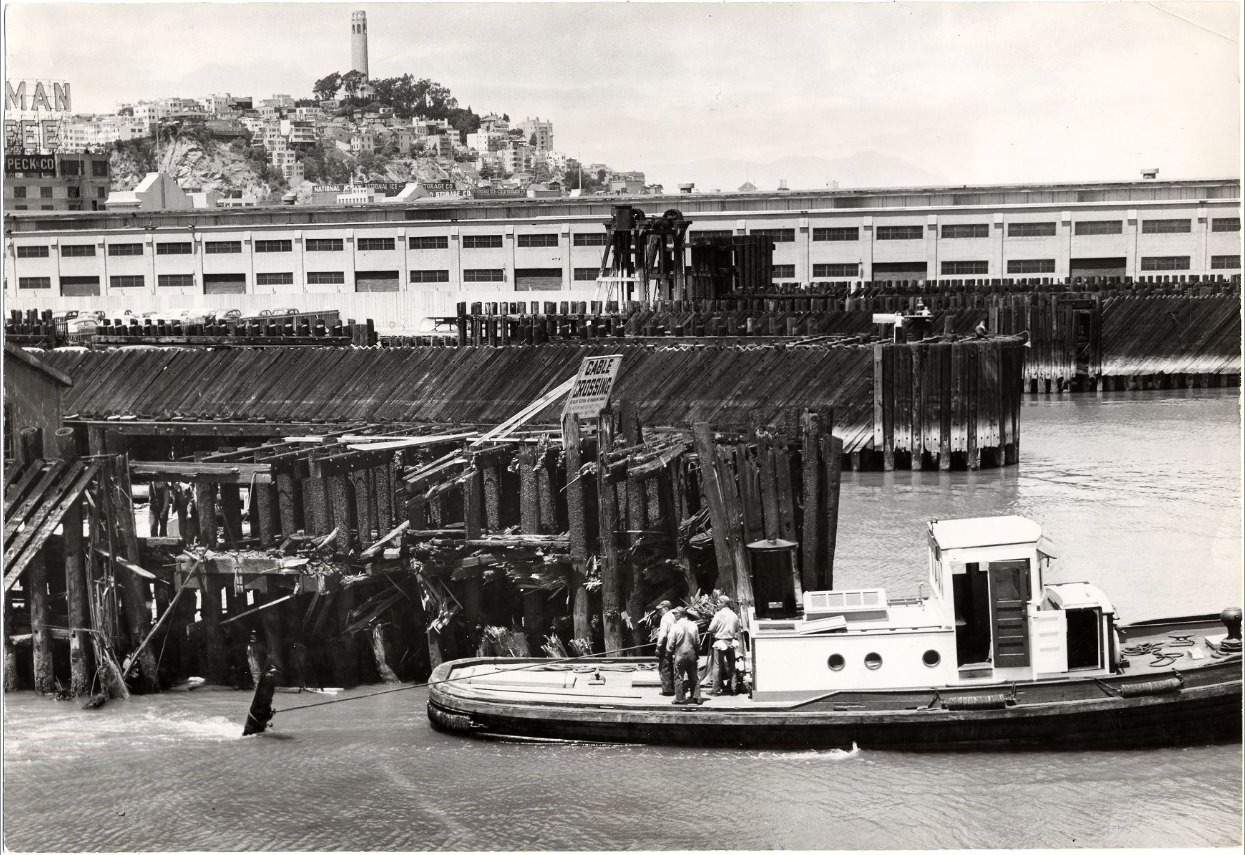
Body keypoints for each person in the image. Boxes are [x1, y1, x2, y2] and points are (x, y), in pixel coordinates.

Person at [666, 608, 702, 705]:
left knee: (679, 677)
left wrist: (669, 652)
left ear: (679, 614)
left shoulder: (675, 627)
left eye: (675, 614)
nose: (674, 615)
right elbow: (698, 642)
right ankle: (697, 697)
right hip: (692, 653)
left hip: (680, 654)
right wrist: (697, 654)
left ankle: (679, 698)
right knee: (694, 676)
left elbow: (670, 642)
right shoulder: (694, 625)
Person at [708, 597, 741, 695]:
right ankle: (734, 688)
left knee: (717, 666)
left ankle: (716, 689)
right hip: (731, 642)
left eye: (718, 602)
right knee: (732, 666)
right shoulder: (734, 615)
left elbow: (711, 628)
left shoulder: (718, 614)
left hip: (720, 642)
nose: (717, 604)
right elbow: (737, 628)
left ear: (723, 603)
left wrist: (717, 630)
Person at [654, 600, 676, 696]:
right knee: (670, 665)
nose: (659, 611)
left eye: (661, 609)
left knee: (664, 666)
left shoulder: (665, 618)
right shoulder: (673, 616)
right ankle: (672, 687)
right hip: (672, 643)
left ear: (666, 608)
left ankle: (667, 690)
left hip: (665, 643)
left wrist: (658, 647)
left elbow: (663, 634)